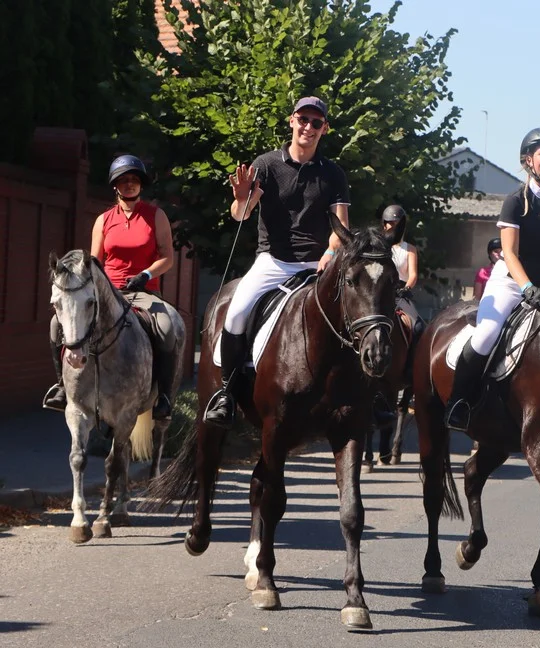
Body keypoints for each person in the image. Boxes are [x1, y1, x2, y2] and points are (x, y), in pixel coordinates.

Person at [204, 96, 351, 428]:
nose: (308, 127)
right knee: (237, 311)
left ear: (324, 129)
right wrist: (241, 198)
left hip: (317, 265)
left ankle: (364, 394)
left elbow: (341, 228)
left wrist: (329, 255)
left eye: (316, 123)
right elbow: (241, 214)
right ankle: (227, 392)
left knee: (356, 314)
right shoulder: (267, 165)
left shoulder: (333, 174)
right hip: (274, 262)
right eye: (303, 119)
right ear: (291, 121)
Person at [444, 127, 540, 432]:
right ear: (529, 161)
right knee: (486, 335)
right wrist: (526, 288)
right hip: (511, 281)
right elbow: (509, 252)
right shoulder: (515, 201)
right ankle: (460, 401)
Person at [43, 154, 179, 419]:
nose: (130, 184)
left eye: (134, 180)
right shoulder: (104, 220)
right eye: (123, 180)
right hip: (108, 292)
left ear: (141, 184)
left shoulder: (156, 216)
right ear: (115, 185)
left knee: (166, 328)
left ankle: (163, 396)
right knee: (54, 325)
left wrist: (146, 274)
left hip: (143, 291)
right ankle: (61, 386)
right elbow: (94, 263)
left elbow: (168, 258)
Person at [382, 205, 420, 326]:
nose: (394, 227)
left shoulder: (410, 249)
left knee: (418, 325)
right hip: (381, 290)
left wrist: (406, 289)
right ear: (384, 225)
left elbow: (413, 275)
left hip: (400, 292)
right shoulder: (379, 247)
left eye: (397, 223)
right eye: (391, 223)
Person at [473, 238, 503, 302]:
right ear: (490, 254)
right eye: (496, 251)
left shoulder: (512, 271)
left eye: (501, 251)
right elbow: (477, 297)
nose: (499, 254)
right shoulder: (483, 272)